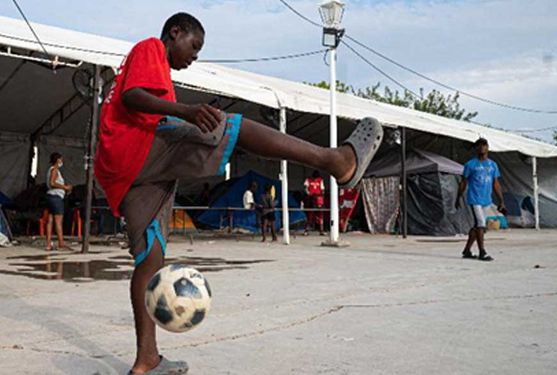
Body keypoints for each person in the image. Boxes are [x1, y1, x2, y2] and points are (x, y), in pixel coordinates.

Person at [93, 13, 382, 375]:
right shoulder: (150, 48)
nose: (195, 56)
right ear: (175, 32)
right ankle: (336, 161)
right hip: (138, 149)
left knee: (149, 259)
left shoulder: (155, 70)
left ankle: (146, 360)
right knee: (228, 127)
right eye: (194, 46)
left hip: (124, 173)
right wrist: (186, 110)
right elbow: (134, 97)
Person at [455, 138, 505, 262]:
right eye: (479, 146)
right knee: (481, 224)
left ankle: (467, 250)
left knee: (478, 226)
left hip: (486, 199)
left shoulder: (493, 165)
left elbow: (496, 183)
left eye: (484, 145)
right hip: (474, 198)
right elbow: (463, 182)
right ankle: (482, 252)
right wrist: (458, 197)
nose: (482, 148)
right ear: (476, 148)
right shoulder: (470, 165)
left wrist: (501, 201)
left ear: (488, 147)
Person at [45, 152, 73, 251]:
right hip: (56, 197)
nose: (62, 161)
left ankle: (48, 244)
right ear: (58, 160)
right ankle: (61, 243)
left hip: (50, 197)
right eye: (61, 159)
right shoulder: (55, 170)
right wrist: (65, 187)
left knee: (50, 220)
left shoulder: (51, 170)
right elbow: (52, 183)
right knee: (58, 221)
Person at [304, 170, 325, 235]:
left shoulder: (320, 180)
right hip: (311, 199)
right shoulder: (308, 180)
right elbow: (305, 188)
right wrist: (308, 193)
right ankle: (306, 230)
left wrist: (321, 196)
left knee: (320, 215)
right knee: (310, 215)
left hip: (318, 199)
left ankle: (321, 230)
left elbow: (322, 189)